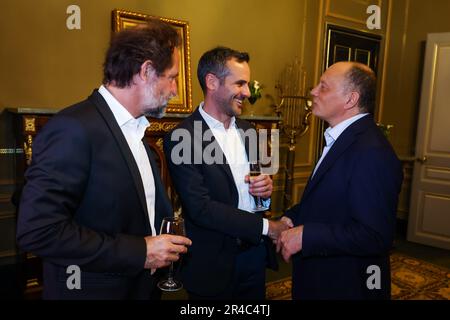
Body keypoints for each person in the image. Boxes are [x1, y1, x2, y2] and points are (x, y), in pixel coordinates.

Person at [16, 20, 192, 300]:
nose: (174, 90)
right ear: (145, 71)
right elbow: (39, 231)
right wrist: (140, 252)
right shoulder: (73, 128)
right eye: (172, 77)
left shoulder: (137, 132)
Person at [163, 47, 291, 299]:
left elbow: (259, 193)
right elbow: (200, 208)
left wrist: (264, 190)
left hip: (253, 256)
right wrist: (268, 227)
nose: (247, 92)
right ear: (212, 82)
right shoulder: (182, 137)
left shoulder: (250, 131)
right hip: (211, 263)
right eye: (240, 83)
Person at [277, 61, 403, 300]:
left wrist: (307, 235)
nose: (313, 91)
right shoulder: (343, 139)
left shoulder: (371, 151)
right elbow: (328, 199)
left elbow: (375, 235)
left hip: (347, 285)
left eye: (323, 86)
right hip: (323, 278)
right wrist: (292, 217)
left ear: (350, 99)